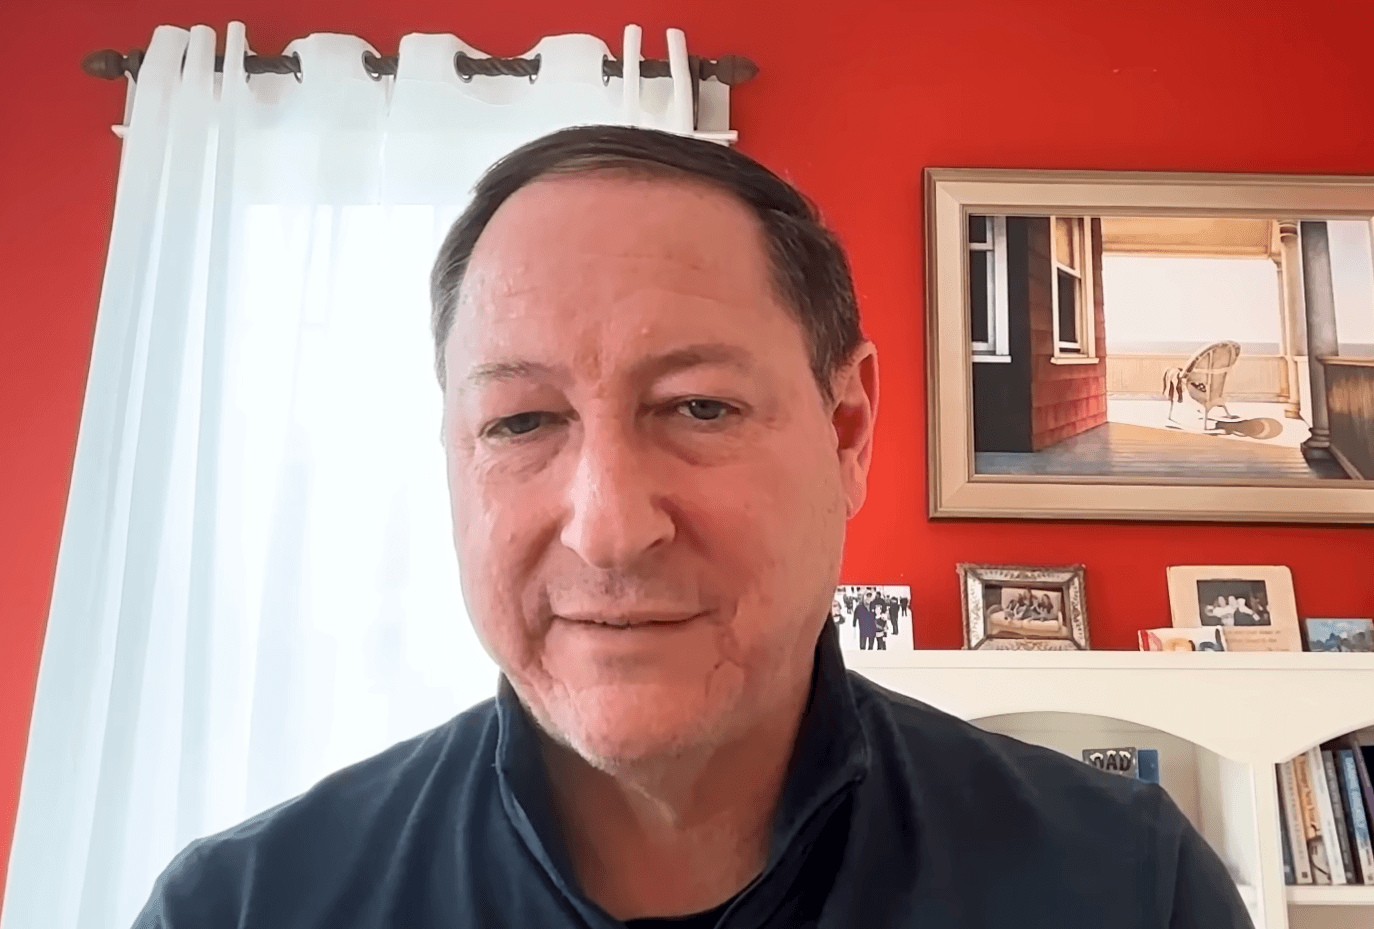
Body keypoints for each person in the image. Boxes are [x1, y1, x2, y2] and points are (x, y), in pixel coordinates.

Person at [131, 125, 1254, 928]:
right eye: (520, 420)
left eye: (698, 407)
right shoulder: (241, 907)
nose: (609, 529)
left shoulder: (1123, 887)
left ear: (846, 430)